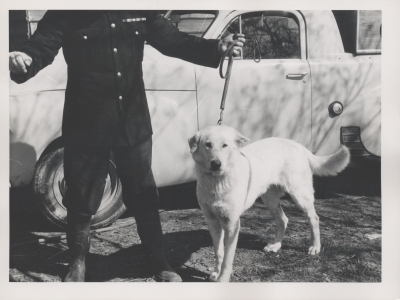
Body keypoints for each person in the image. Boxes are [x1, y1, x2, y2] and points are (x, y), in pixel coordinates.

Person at [9, 10, 244, 282]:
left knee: (143, 193)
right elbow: (40, 47)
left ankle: (158, 261)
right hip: (86, 121)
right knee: (81, 195)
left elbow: (174, 41)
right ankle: (77, 264)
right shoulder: (67, 11)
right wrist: (24, 60)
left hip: (132, 120)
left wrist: (217, 47)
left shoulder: (139, 9)